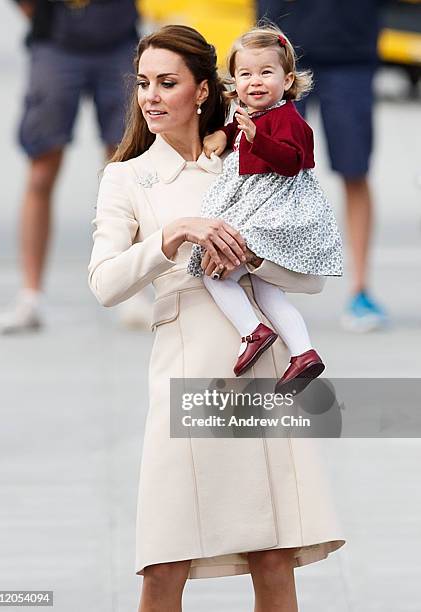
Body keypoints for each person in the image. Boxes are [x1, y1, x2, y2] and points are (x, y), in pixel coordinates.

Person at [88, 24, 345, 611]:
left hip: (266, 373)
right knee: (164, 562)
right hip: (186, 371)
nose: (150, 97)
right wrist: (172, 236)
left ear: (203, 91)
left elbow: (312, 276)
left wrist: (255, 256)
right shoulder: (127, 177)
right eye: (143, 84)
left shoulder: (250, 158)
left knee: (275, 559)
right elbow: (105, 284)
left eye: (167, 83)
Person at [187, 25, 343, 393]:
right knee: (266, 288)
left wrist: (260, 141)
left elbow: (292, 161)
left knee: (213, 270)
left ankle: (252, 332)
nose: (255, 82)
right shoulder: (248, 113)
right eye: (245, 74)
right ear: (234, 80)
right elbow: (235, 129)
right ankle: (303, 353)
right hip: (258, 204)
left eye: (266, 73)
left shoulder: (290, 120)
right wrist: (223, 135)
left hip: (274, 209)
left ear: (287, 80)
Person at [0, 0, 139, 334]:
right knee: (42, 168)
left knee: (126, 168)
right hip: (55, 42)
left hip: (118, 41)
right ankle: (30, 294)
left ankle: (133, 290)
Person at [258, 0, 388, 332]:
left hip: (351, 51)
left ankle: (360, 291)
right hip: (283, 49)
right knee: (271, 175)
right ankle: (262, 293)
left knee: (354, 171)